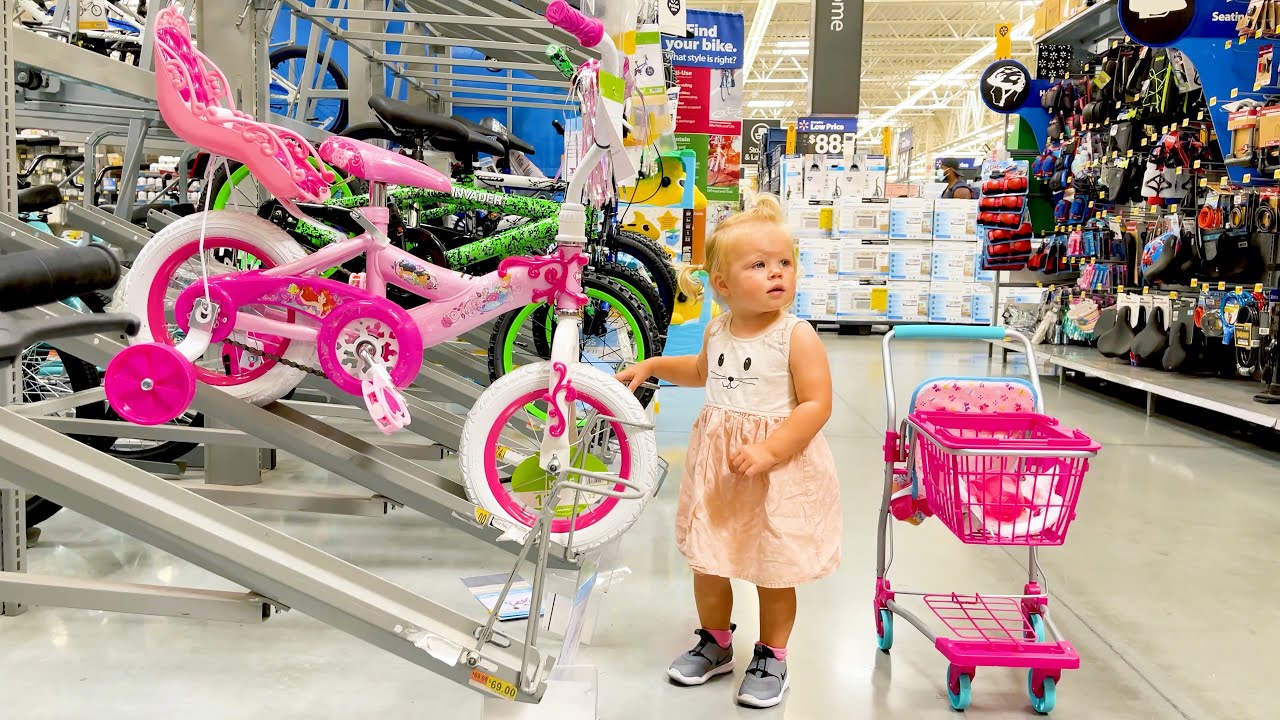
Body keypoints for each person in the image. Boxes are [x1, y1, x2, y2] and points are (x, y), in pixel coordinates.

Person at [616, 194, 841, 709]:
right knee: (710, 560)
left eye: (784, 262)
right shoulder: (718, 328)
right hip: (720, 469)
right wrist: (651, 366)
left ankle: (772, 655)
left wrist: (769, 450)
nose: (776, 274)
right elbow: (702, 373)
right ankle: (716, 641)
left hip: (776, 469)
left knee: (772, 564)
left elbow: (817, 404)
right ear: (722, 284)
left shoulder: (796, 336)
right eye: (759, 265)